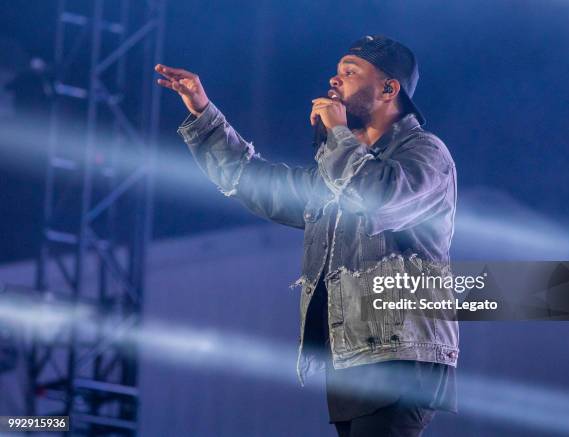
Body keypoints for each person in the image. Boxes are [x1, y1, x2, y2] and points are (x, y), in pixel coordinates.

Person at [156, 34, 458, 437]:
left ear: (389, 88)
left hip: (399, 355)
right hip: (353, 356)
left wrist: (337, 134)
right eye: (336, 72)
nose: (335, 81)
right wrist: (202, 111)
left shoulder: (425, 153)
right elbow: (256, 183)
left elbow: (375, 198)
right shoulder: (336, 174)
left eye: (350, 73)